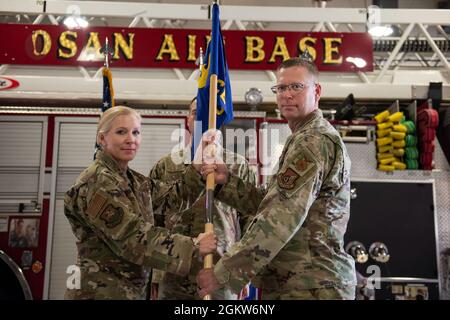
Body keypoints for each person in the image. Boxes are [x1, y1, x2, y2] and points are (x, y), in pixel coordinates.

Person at [197, 57, 357, 300]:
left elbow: (280, 216)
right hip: (299, 281)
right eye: (281, 88)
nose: (287, 94)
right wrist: (226, 182)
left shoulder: (313, 141)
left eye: (296, 87)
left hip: (311, 285)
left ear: (317, 91)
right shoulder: (301, 139)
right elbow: (270, 204)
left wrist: (225, 272)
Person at [64, 106, 221, 300]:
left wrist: (197, 167)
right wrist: (194, 246)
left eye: (136, 132)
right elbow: (132, 238)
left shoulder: (130, 180)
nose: (131, 139)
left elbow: (170, 200)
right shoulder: (97, 182)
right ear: (102, 139)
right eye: (121, 132)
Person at [149, 97, 257, 300]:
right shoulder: (166, 166)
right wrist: (155, 275)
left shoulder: (238, 166)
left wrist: (243, 274)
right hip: (174, 270)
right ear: (187, 121)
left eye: (209, 113)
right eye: (195, 113)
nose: (202, 118)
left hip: (221, 270)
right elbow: (154, 221)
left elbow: (250, 224)